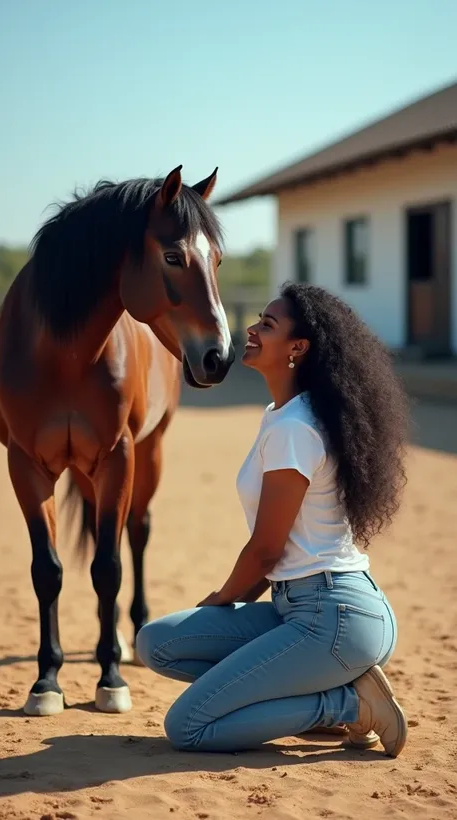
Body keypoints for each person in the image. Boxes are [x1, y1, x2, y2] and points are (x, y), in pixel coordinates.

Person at [137, 282, 409, 758]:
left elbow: (267, 549)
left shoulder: (293, 430)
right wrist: (226, 608)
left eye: (267, 325)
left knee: (188, 727)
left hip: (334, 618)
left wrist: (220, 600)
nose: (251, 330)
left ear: (297, 348)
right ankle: (327, 691)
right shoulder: (284, 415)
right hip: (304, 608)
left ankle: (346, 704)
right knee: (158, 642)